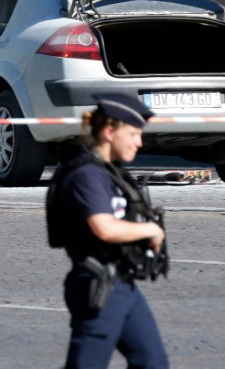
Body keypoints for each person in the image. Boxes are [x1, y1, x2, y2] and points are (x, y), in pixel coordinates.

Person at [47, 93, 169, 369]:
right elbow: (104, 228)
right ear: (110, 132)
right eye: (134, 134)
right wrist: (148, 229)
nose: (139, 142)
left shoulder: (109, 172)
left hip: (123, 284)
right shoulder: (86, 175)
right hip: (98, 284)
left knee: (153, 361)